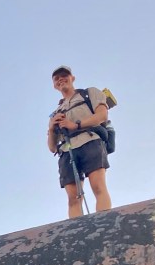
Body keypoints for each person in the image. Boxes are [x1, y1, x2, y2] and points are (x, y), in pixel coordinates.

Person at [47, 65, 112, 218]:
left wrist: (75, 125)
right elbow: (52, 148)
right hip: (66, 150)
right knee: (73, 198)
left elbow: (102, 115)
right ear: (54, 85)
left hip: (90, 141)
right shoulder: (55, 113)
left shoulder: (89, 93)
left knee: (98, 187)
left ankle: (104, 222)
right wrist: (51, 128)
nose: (61, 79)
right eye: (56, 78)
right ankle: (76, 229)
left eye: (64, 75)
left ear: (72, 78)